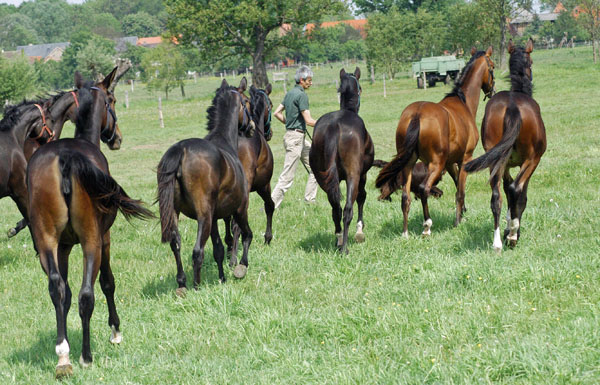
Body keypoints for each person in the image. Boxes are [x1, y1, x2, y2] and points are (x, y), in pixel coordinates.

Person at [271, 65, 318, 209]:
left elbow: (277, 113)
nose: (311, 83)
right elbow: (309, 121)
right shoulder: (302, 95)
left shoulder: (290, 93)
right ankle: (271, 205)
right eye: (309, 80)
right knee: (287, 177)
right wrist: (328, 124)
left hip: (295, 137)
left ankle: (310, 200)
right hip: (296, 140)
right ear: (302, 80)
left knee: (316, 167)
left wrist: (290, 123)